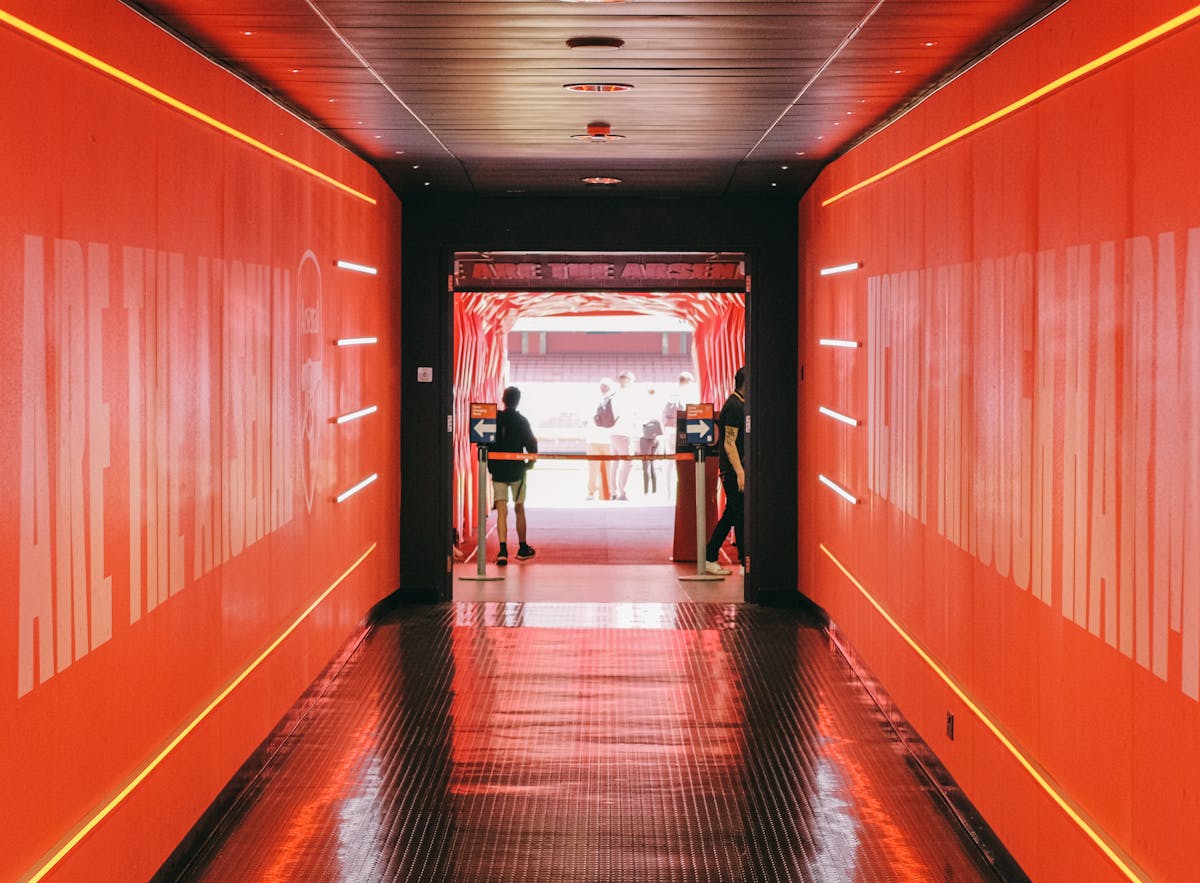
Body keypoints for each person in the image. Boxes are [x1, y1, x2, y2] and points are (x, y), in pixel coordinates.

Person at [488, 386, 538, 566]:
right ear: (518, 401)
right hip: (517, 471)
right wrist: (530, 464)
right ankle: (523, 548)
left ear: (503, 399)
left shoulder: (493, 418)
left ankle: (502, 550)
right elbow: (531, 443)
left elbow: (485, 443)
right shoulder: (522, 421)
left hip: (498, 471)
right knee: (519, 508)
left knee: (502, 510)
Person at [704, 366, 746, 575]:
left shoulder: (739, 404)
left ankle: (710, 555)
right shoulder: (735, 406)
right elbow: (729, 443)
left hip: (733, 470)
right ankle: (744, 562)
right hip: (732, 471)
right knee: (739, 514)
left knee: (732, 513)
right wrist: (739, 471)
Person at [608, 370, 637, 500]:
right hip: (624, 433)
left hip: (612, 433)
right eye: (631, 380)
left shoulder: (612, 393)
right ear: (626, 380)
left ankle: (613, 491)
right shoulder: (628, 395)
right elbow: (633, 415)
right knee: (628, 463)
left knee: (615, 463)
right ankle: (623, 491)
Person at [586, 377, 615, 500]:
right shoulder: (613, 399)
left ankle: (597, 492)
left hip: (600, 440)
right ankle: (609, 492)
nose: (603, 388)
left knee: (597, 468)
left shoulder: (593, 400)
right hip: (603, 440)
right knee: (606, 468)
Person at [639, 386, 663, 495]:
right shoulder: (658, 404)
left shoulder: (642, 406)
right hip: (656, 438)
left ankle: (646, 491)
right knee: (652, 464)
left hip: (645, 438)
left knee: (646, 465)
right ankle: (654, 490)